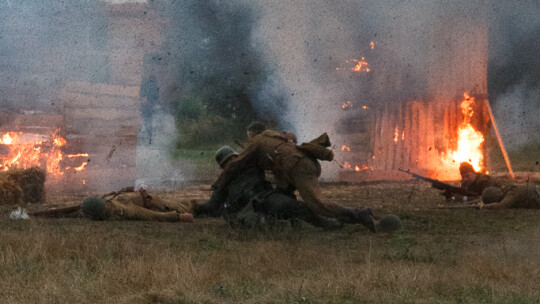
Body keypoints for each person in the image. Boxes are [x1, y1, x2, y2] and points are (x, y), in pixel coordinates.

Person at [212, 122, 379, 232]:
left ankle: (359, 214)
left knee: (318, 205)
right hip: (301, 166)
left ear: (254, 135)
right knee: (284, 193)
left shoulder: (258, 141)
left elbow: (235, 164)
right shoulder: (276, 136)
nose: (249, 141)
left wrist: (218, 185)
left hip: (298, 168)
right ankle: (314, 222)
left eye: (249, 138)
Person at [192, 145, 344, 230]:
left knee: (297, 207)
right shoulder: (223, 182)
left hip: (265, 197)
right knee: (266, 226)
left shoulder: (251, 165)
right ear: (223, 165)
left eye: (233, 159)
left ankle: (329, 223)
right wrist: (196, 208)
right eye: (228, 162)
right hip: (249, 210)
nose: (232, 162)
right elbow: (212, 206)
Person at [29, 187, 193, 223]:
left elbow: (150, 216)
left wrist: (179, 215)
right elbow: (149, 214)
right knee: (184, 206)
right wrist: (178, 216)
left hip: (149, 200)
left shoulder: (109, 208)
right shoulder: (120, 211)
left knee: (187, 206)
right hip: (149, 203)